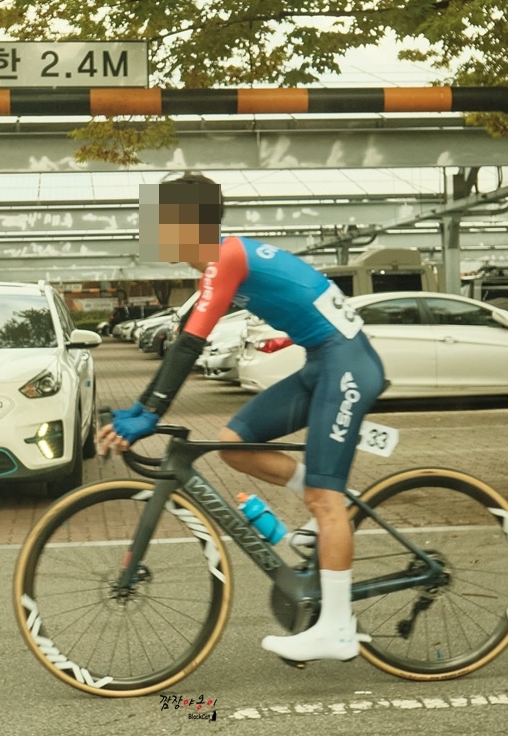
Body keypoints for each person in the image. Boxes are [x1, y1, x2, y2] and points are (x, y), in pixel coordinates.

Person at [96, 173, 387, 662]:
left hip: (347, 362)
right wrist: (142, 408)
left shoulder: (227, 256)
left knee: (323, 498)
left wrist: (150, 414)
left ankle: (337, 629)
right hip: (322, 359)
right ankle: (333, 500)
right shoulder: (218, 264)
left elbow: (190, 344)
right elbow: (188, 339)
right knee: (232, 443)